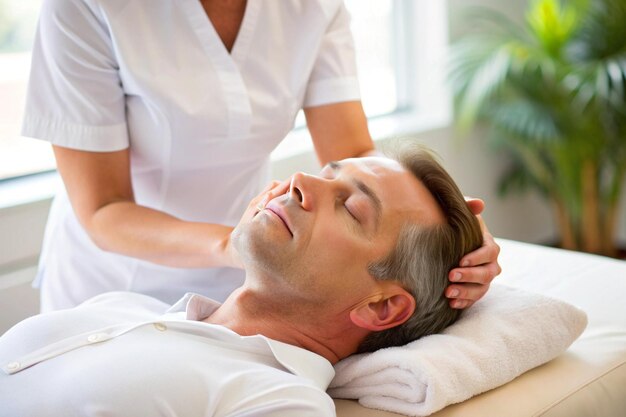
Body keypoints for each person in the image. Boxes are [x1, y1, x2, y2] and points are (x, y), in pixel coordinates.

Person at [22, 0, 500, 313]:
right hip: (108, 284)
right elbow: (104, 210)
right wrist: (234, 244)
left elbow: (350, 155)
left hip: (245, 282)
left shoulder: (314, 7)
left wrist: (451, 233)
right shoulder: (87, 7)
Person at [0, 147, 483, 416]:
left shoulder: (278, 400)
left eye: (351, 207)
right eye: (324, 173)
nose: (299, 180)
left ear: (380, 308)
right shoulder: (123, 306)